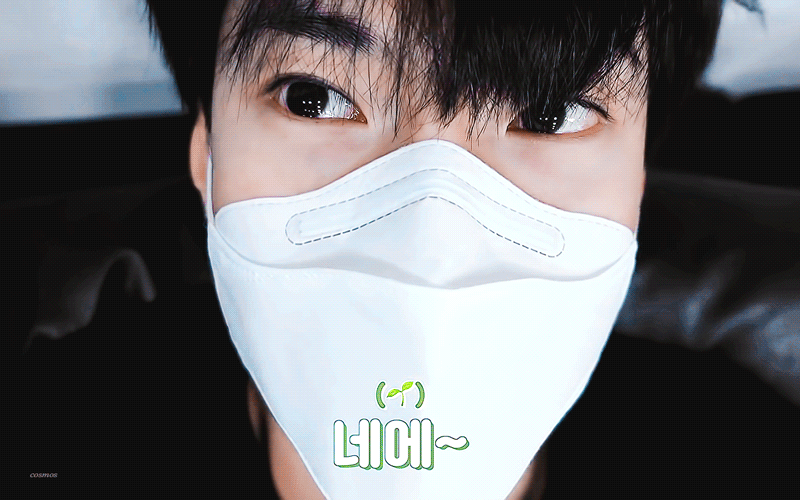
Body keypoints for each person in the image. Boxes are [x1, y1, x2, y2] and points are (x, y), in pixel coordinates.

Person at [141, 0, 723, 499]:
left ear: (639, 177)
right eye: (314, 97)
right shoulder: (97, 423)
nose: (433, 237)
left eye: (550, 116)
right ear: (206, 150)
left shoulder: (734, 451)